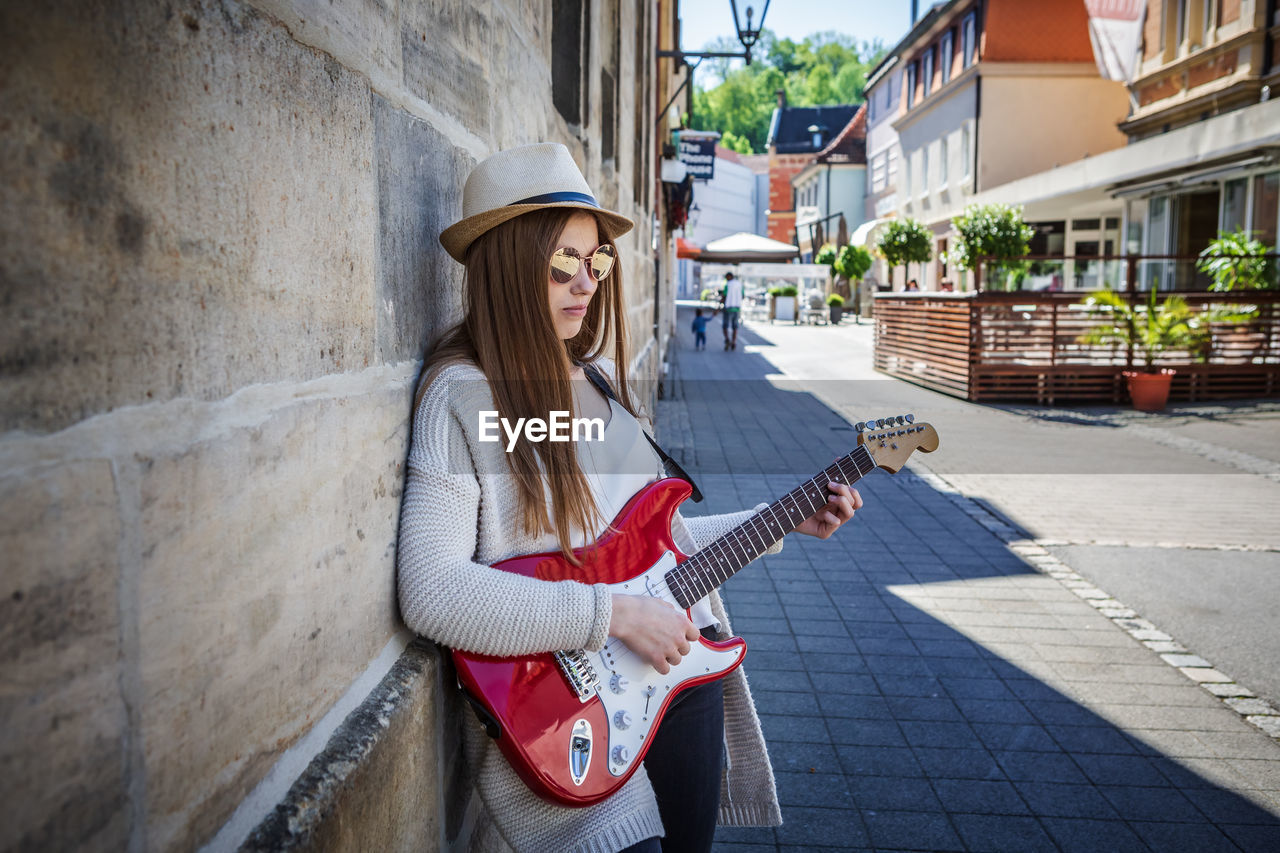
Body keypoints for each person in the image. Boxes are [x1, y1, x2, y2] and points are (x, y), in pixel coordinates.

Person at [396, 143, 862, 853]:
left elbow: (649, 558)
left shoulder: (601, 382)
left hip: (675, 683)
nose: (585, 282)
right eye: (562, 263)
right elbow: (430, 590)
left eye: (597, 261)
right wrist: (610, 614)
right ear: (505, 265)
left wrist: (785, 521)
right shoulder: (459, 397)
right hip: (561, 716)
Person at [719, 272, 744, 350]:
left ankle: (727, 339)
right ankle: (733, 342)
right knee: (735, 327)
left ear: (729, 277)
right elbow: (742, 296)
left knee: (725, 326)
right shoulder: (740, 285)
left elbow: (724, 296)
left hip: (728, 308)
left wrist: (718, 308)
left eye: (726, 278)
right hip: (736, 308)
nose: (726, 279)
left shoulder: (728, 285)